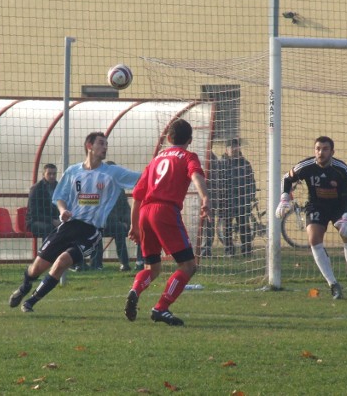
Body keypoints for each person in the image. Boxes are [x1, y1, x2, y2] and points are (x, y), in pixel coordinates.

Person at [8, 132, 140, 313]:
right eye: (101, 143)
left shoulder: (112, 172)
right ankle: (24, 287)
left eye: (106, 144)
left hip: (91, 230)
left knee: (62, 261)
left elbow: (141, 177)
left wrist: (160, 169)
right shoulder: (73, 171)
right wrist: (63, 211)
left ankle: (31, 301)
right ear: (89, 146)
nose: (105, 147)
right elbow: (59, 197)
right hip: (69, 225)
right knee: (37, 268)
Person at [124, 119, 210, 326]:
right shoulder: (189, 156)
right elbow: (196, 175)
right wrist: (205, 197)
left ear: (169, 138)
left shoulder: (156, 159)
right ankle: (161, 307)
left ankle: (135, 289)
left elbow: (137, 195)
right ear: (189, 140)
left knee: (152, 267)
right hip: (165, 212)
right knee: (188, 265)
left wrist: (134, 226)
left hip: (145, 211)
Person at [275, 136, 347, 299]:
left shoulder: (341, 169)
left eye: (325, 149)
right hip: (316, 206)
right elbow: (286, 178)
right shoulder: (306, 166)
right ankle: (333, 285)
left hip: (339, 207)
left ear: (332, 152)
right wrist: (285, 197)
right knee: (314, 240)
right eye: (318, 149)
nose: (320, 153)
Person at [90, 161, 132, 271]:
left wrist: (127, 221)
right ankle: (96, 264)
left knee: (120, 230)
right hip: (98, 223)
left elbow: (126, 208)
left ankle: (125, 264)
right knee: (97, 232)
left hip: (116, 224)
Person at [217, 138, 256, 257]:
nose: (234, 149)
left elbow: (251, 182)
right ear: (226, 149)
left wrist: (250, 197)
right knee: (227, 227)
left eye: (236, 147)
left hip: (242, 200)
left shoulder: (245, 164)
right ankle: (229, 251)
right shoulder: (221, 163)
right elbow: (217, 183)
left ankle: (247, 251)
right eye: (231, 147)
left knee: (244, 227)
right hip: (226, 200)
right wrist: (219, 198)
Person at [25, 163, 60, 239]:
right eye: (49, 174)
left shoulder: (58, 187)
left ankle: (62, 250)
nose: (52, 176)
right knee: (49, 228)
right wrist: (52, 220)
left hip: (52, 220)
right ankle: (46, 250)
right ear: (43, 174)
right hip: (33, 222)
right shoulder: (36, 189)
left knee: (67, 228)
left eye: (54, 174)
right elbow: (34, 213)